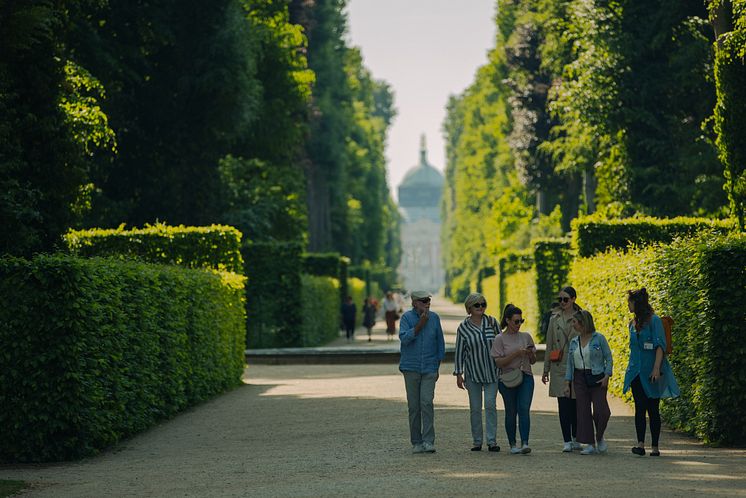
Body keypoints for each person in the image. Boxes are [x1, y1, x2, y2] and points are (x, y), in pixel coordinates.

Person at [623, 288, 680, 457]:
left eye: (630, 301)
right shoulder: (632, 324)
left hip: (652, 371)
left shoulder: (654, 321)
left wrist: (656, 368)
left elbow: (660, 345)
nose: (628, 304)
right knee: (639, 407)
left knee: (653, 408)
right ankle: (640, 444)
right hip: (635, 372)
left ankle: (655, 446)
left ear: (637, 303)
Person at [399, 290, 446, 454]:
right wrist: (420, 325)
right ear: (414, 303)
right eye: (424, 301)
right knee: (414, 407)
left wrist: (437, 367)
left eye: (428, 301)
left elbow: (440, 344)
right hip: (410, 367)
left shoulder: (435, 318)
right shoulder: (406, 318)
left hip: (429, 368)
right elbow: (404, 339)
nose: (427, 304)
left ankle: (428, 441)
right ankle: (416, 442)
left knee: (426, 403)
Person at [454, 293, 501, 452]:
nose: (481, 307)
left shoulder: (492, 322)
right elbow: (459, 351)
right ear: (469, 308)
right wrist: (458, 373)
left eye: (483, 304)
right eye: (477, 305)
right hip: (473, 372)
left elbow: (501, 343)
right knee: (475, 408)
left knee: (490, 404)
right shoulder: (463, 328)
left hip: (492, 371)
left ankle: (492, 441)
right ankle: (477, 441)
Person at [563, 310, 613, 455]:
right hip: (579, 378)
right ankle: (590, 444)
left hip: (597, 377)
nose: (572, 324)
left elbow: (608, 357)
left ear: (583, 323)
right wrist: (567, 383)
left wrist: (607, 375)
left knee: (601, 411)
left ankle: (599, 436)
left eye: (575, 322)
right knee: (583, 412)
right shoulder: (573, 342)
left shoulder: (599, 338)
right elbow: (570, 364)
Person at [491, 304, 536, 454]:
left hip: (526, 376)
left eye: (521, 321)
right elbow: (498, 363)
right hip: (507, 378)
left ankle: (525, 442)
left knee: (524, 409)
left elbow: (534, 360)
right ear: (508, 320)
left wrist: (530, 354)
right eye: (516, 321)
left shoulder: (526, 336)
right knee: (511, 411)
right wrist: (516, 354)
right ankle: (512, 444)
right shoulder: (499, 339)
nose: (519, 324)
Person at [542, 287, 583, 452]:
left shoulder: (581, 317)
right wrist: (545, 369)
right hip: (559, 366)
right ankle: (566, 439)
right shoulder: (554, 318)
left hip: (577, 365)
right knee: (563, 404)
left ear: (573, 299)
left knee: (576, 404)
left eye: (565, 299)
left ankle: (576, 437)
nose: (562, 302)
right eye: (560, 299)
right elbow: (549, 344)